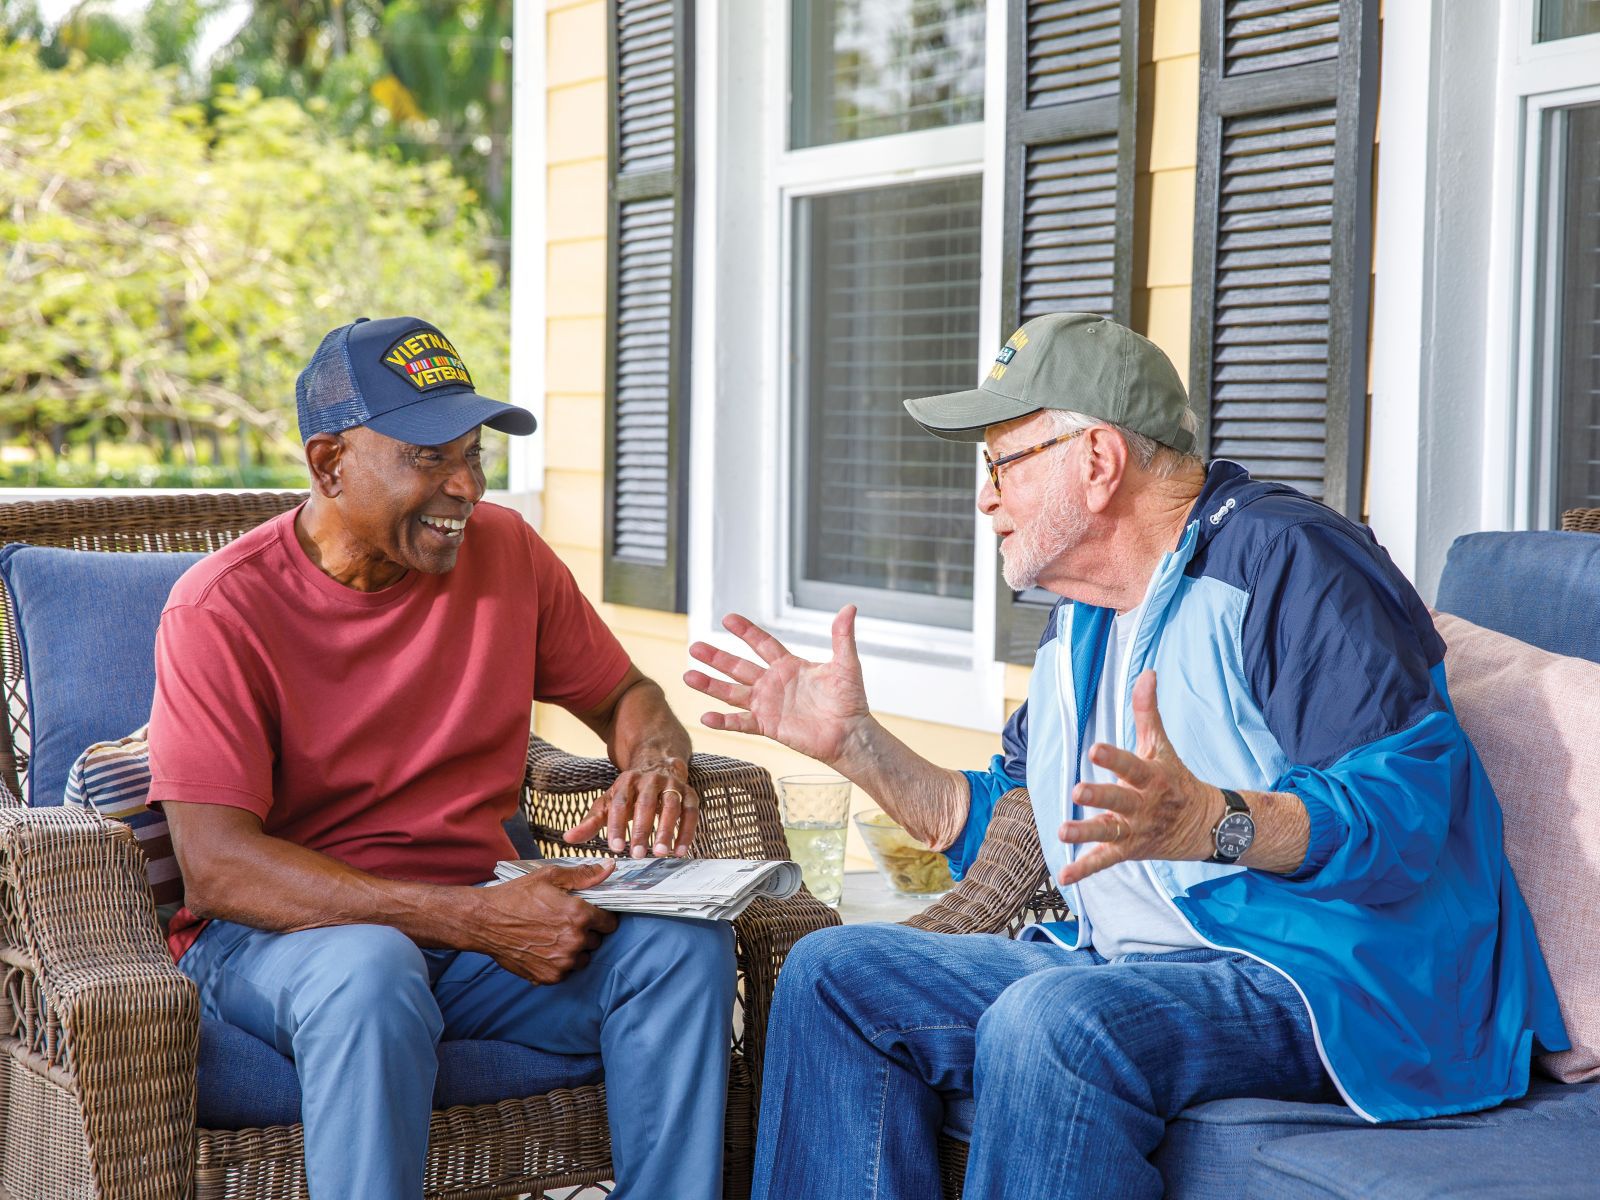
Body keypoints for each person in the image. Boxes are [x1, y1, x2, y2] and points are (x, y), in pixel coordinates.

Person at [683, 312, 1569, 1200]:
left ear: (1098, 460)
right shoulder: (1083, 618)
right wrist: (858, 747)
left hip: (1338, 979)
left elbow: (1407, 813)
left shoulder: (1288, 560)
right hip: (1132, 962)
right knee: (837, 974)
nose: (985, 498)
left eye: (1002, 464)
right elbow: (1025, 826)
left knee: (1055, 1021)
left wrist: (1213, 822)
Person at [148, 316, 735, 1199]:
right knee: (372, 967)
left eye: (473, 454)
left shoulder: (509, 555)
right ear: (328, 463)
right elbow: (218, 868)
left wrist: (655, 762)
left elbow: (626, 697)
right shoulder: (219, 611)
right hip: (285, 942)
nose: (466, 485)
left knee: (679, 949)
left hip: (473, 930)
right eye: (428, 458)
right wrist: (470, 919)